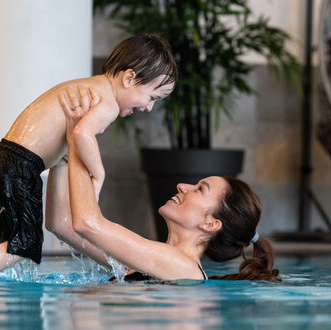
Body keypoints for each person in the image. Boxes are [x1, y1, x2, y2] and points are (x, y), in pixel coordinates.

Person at [0, 34, 177, 277]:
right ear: (129, 77)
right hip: (20, 165)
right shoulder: (108, 102)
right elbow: (81, 133)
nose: (148, 107)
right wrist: (98, 172)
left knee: (10, 240)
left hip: (5, 158)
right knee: (23, 244)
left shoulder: (89, 88)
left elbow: (61, 222)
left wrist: (122, 269)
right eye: (152, 97)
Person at [48, 97, 281, 282]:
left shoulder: (180, 266)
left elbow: (87, 223)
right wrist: (64, 154)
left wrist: (77, 136)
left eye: (200, 189)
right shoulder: (151, 263)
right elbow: (61, 224)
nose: (182, 186)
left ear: (210, 223)